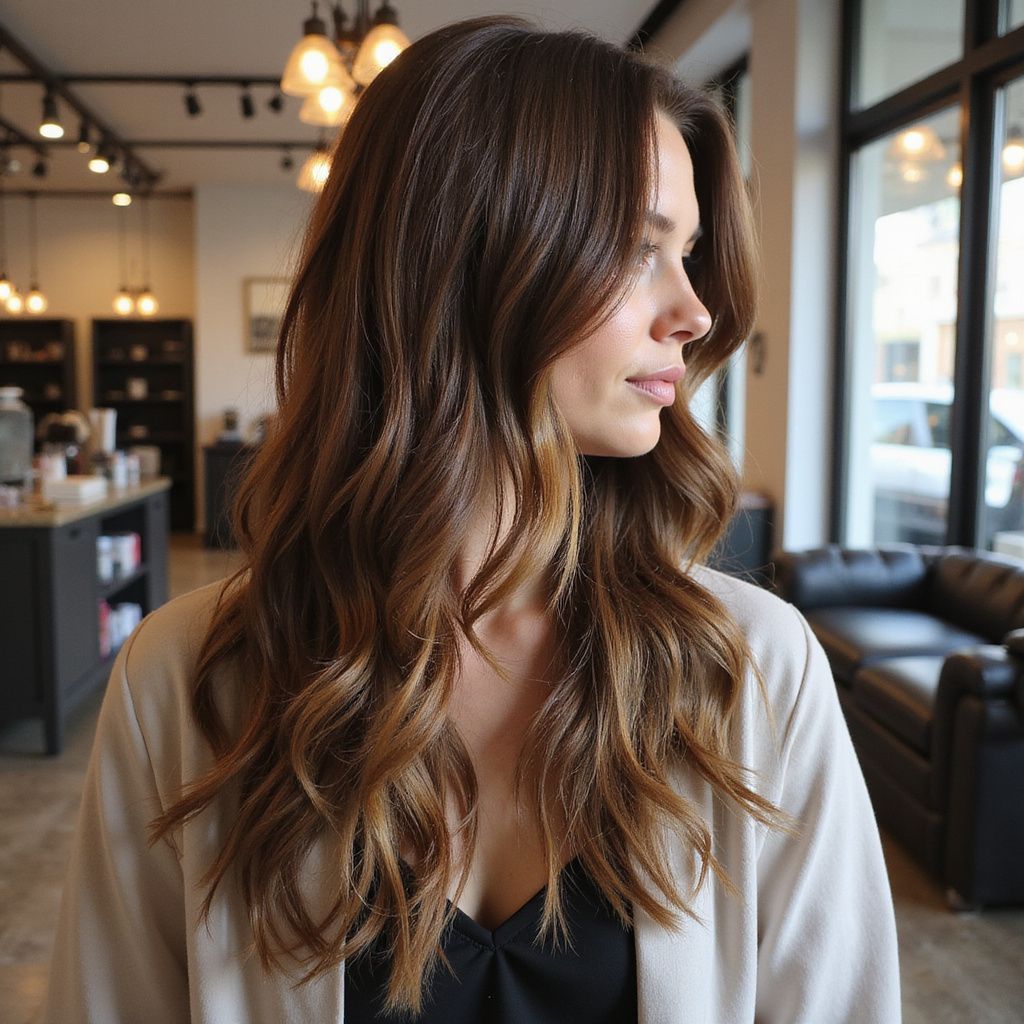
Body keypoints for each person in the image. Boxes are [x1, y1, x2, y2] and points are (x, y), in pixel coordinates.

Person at [43, 15, 901, 1024]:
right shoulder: (192, 682)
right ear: (464, 263)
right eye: (639, 250)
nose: (695, 311)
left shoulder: (749, 669)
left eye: (692, 254)